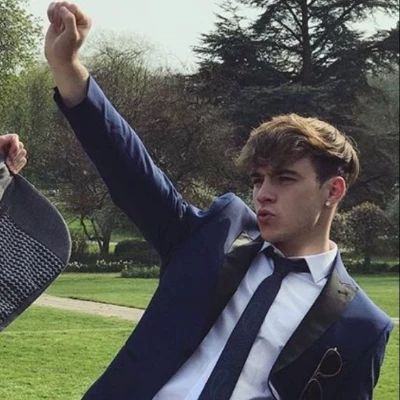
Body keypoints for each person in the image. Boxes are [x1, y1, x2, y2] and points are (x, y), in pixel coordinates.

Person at [45, 2, 393, 400]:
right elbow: (132, 173)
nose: (263, 193)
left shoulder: (361, 325)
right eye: (258, 179)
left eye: (285, 178)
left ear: (333, 191)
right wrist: (67, 68)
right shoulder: (217, 234)